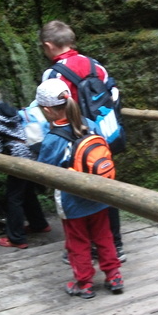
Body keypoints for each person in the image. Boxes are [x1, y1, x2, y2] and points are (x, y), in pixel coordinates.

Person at [39, 20, 126, 263]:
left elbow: (48, 107)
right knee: (106, 183)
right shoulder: (96, 65)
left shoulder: (53, 74)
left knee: (75, 192)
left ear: (48, 45)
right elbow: (114, 96)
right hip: (99, 138)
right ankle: (114, 245)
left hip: (72, 142)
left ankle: (81, 249)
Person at [34, 77, 124, 299]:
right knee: (104, 236)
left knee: (78, 242)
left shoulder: (53, 139)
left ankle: (84, 283)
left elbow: (43, 171)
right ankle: (114, 275)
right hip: (99, 194)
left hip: (72, 201)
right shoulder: (90, 124)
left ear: (48, 110)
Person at [0, 88, 51, 249]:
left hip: (18, 159)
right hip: (31, 153)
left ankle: (17, 238)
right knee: (26, 191)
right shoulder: (6, 110)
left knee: (13, 198)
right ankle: (39, 224)